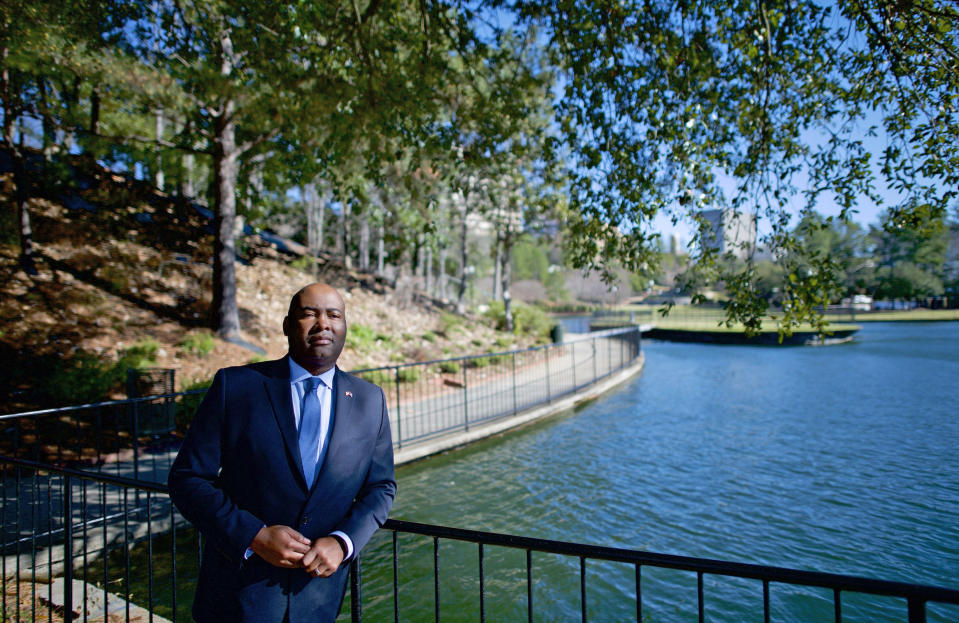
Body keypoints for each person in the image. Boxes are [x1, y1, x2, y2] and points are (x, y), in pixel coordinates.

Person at [168, 283, 396, 623]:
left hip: (318, 601)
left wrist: (343, 542)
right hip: (236, 595)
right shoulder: (236, 387)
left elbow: (381, 488)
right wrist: (253, 535)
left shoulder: (370, 400)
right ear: (287, 325)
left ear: (345, 326)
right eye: (309, 314)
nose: (323, 324)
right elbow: (188, 479)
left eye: (334, 315)